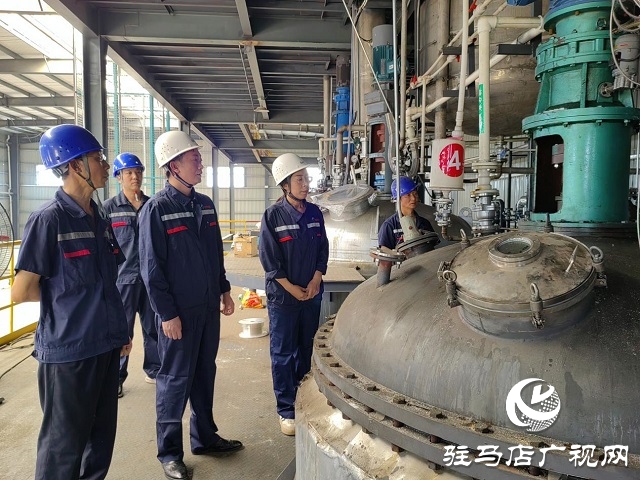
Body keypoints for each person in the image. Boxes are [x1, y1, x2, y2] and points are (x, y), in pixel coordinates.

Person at [11, 124, 131, 480]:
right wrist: (68, 301)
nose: (106, 165)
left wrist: (119, 332)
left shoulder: (100, 217)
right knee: (63, 448)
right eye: (98, 158)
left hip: (105, 346)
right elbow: (22, 290)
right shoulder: (48, 220)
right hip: (69, 352)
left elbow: (108, 281)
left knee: (100, 443)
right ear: (76, 165)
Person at [138, 130, 242, 480]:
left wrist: (224, 290)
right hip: (178, 314)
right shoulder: (156, 210)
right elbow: (151, 269)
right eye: (194, 159)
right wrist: (167, 314)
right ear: (173, 166)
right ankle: (170, 453)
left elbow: (215, 254)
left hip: (207, 308)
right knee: (174, 381)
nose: (201, 164)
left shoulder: (205, 205)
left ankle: (205, 437)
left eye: (199, 158)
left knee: (204, 374)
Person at [258, 153, 329, 436]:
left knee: (306, 348)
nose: (305, 184)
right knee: (283, 353)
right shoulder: (272, 216)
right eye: (299, 179)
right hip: (284, 299)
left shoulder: (314, 213)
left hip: (311, 294)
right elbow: (270, 260)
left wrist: (316, 279)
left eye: (306, 178)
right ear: (285, 184)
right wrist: (292, 289)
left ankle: (305, 399)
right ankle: (286, 409)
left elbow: (323, 250)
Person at [103, 152, 161, 398]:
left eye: (138, 172)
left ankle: (155, 370)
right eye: (129, 173)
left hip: (150, 279)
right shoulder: (108, 208)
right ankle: (116, 377)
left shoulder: (153, 205)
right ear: (119, 177)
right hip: (123, 281)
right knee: (121, 331)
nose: (135, 176)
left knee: (153, 327)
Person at [378, 176, 436, 249]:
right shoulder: (389, 225)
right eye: (408, 195)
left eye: (415, 194)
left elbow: (432, 249)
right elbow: (384, 251)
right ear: (398, 199)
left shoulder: (424, 223)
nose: (413, 198)